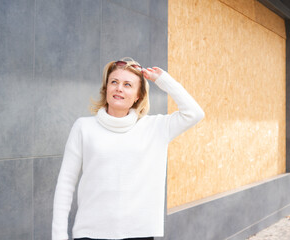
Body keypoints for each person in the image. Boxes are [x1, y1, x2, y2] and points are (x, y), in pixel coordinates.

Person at [52, 57, 205, 240]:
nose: (119, 88)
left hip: (139, 233)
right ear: (106, 88)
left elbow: (194, 113)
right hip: (90, 233)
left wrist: (163, 80)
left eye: (128, 85)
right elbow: (65, 184)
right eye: (114, 82)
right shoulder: (83, 127)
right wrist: (59, 236)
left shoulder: (155, 128)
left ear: (138, 96)